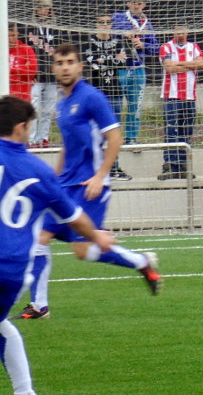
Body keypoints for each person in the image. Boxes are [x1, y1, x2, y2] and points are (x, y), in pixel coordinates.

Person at [16, 44, 162, 321]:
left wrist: (100, 176)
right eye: (60, 63)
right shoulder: (62, 103)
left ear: (80, 66)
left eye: (70, 62)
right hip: (66, 186)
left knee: (83, 250)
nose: (65, 67)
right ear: (53, 68)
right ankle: (39, 306)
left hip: (90, 186)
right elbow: (68, 146)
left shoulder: (92, 97)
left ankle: (140, 261)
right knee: (39, 237)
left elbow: (115, 138)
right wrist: (55, 179)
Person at [0, 95, 116, 395]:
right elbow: (73, 216)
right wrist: (97, 235)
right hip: (14, 270)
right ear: (21, 128)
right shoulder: (38, 169)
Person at [83, 12, 131, 181]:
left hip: (115, 93)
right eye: (101, 22)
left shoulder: (118, 42)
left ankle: (114, 168)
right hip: (96, 94)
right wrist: (111, 60)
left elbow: (124, 62)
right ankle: (96, 168)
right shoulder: (89, 42)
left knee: (114, 133)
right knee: (95, 132)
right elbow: (92, 64)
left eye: (108, 22)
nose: (105, 25)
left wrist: (103, 61)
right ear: (96, 24)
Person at [111, 0, 159, 147]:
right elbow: (108, 33)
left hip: (138, 68)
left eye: (139, 3)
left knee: (135, 106)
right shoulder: (118, 17)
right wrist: (122, 34)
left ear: (144, 5)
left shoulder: (147, 24)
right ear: (128, 3)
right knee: (115, 105)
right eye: (133, 2)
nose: (136, 6)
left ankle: (131, 138)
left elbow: (156, 48)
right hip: (120, 68)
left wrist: (143, 45)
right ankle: (114, 138)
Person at [158, 26, 203, 181]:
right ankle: (170, 165)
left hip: (189, 96)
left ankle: (183, 165)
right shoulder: (166, 47)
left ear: (187, 31)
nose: (180, 33)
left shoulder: (194, 47)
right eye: (177, 30)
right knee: (171, 130)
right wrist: (190, 64)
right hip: (171, 95)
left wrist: (179, 63)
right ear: (173, 32)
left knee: (187, 130)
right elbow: (170, 68)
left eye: (182, 30)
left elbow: (200, 64)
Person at [25, 0, 60, 147]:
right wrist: (30, 72)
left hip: (51, 76)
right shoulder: (29, 27)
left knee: (48, 110)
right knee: (34, 108)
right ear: (35, 8)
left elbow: (59, 51)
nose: (43, 10)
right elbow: (25, 51)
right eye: (40, 7)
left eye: (46, 7)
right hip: (35, 76)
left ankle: (43, 138)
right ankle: (32, 139)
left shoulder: (56, 28)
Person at [7, 25, 37, 104]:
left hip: (23, 99)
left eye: (13, 35)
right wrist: (22, 69)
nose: (10, 39)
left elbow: (32, 72)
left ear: (17, 34)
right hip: (5, 98)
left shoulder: (27, 49)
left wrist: (10, 70)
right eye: (8, 36)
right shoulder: (2, 51)